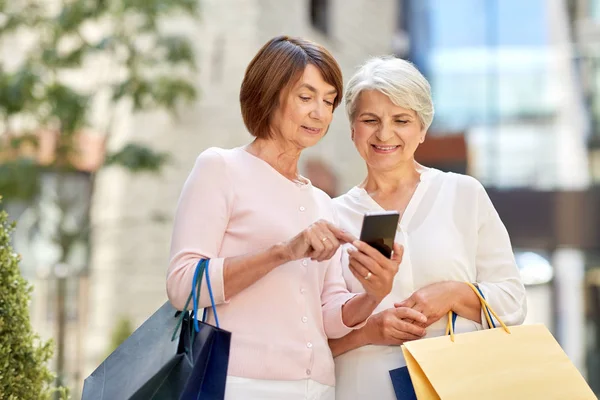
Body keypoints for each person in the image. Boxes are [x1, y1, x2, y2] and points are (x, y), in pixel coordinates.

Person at [166, 37, 401, 400]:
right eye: (306, 97)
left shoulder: (323, 202)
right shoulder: (221, 168)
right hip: (237, 383)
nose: (320, 113)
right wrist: (283, 253)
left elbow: (327, 315)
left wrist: (373, 293)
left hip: (317, 388)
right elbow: (184, 286)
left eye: (328, 101)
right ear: (269, 93)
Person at [329, 56, 527, 400]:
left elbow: (513, 302)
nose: (384, 133)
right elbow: (312, 339)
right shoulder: (333, 216)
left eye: (401, 120)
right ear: (352, 129)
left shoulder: (463, 193)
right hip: (364, 388)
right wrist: (369, 331)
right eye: (370, 120)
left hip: (457, 385)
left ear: (422, 130)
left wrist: (453, 294)